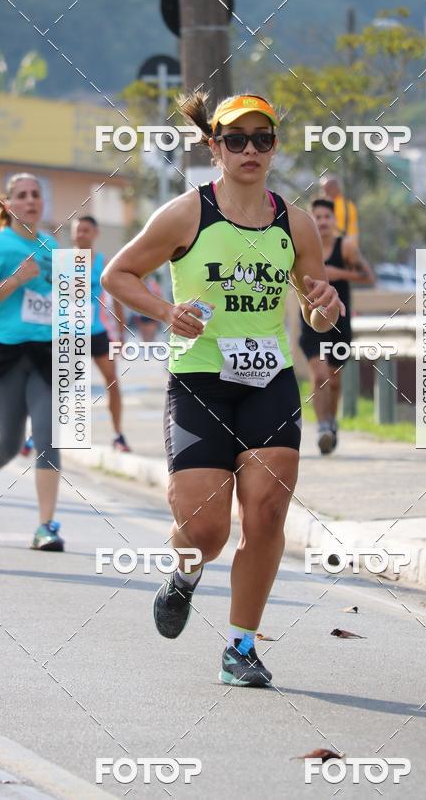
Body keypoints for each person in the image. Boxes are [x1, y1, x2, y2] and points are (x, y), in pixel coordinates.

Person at [102, 91, 344, 686]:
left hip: (270, 381)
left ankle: (241, 647)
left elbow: (315, 311)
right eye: (236, 140)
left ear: (274, 147)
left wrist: (322, 309)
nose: (250, 150)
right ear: (215, 147)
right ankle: (183, 575)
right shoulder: (188, 213)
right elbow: (116, 274)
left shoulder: (296, 221)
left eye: (262, 139)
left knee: (265, 511)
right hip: (200, 382)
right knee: (206, 533)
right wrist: (166, 310)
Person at [0, 173, 64, 550]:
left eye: (36, 194)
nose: (31, 201)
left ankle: (46, 526)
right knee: (8, 443)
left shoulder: (51, 246)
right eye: (22, 195)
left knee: (49, 437)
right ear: (9, 205)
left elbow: (61, 301)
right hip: (5, 354)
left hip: (45, 353)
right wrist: (17, 280)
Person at [299, 198, 374, 454]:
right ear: (311, 220)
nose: (322, 222)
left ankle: (331, 422)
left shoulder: (346, 248)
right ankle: (322, 428)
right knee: (319, 376)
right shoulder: (305, 246)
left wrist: (338, 273)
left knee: (332, 380)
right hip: (311, 320)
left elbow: (368, 276)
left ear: (334, 221)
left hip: (339, 322)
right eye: (317, 217)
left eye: (326, 217)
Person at [71, 215, 131, 452]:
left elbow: (117, 298)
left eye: (86, 230)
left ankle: (118, 435)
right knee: (57, 386)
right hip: (69, 335)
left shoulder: (104, 263)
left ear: (95, 233)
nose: (81, 234)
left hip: (97, 332)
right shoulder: (64, 263)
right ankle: (38, 435)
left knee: (113, 382)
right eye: (77, 230)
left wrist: (122, 330)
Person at [320, 174, 359, 243]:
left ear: (336, 188)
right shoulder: (323, 205)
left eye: (327, 188)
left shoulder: (347, 206)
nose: (324, 192)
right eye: (324, 189)